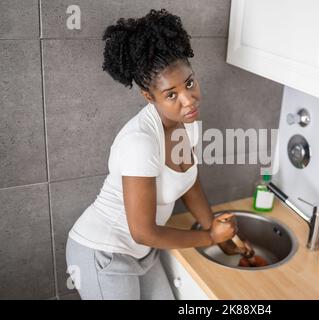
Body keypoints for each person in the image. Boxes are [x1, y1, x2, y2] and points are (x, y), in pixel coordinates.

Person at [65, 9, 250, 300]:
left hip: (144, 253)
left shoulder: (188, 123)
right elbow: (143, 231)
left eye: (189, 83)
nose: (189, 100)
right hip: (103, 253)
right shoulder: (140, 142)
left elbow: (189, 182)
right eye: (171, 94)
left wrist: (213, 227)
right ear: (149, 97)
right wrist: (209, 238)